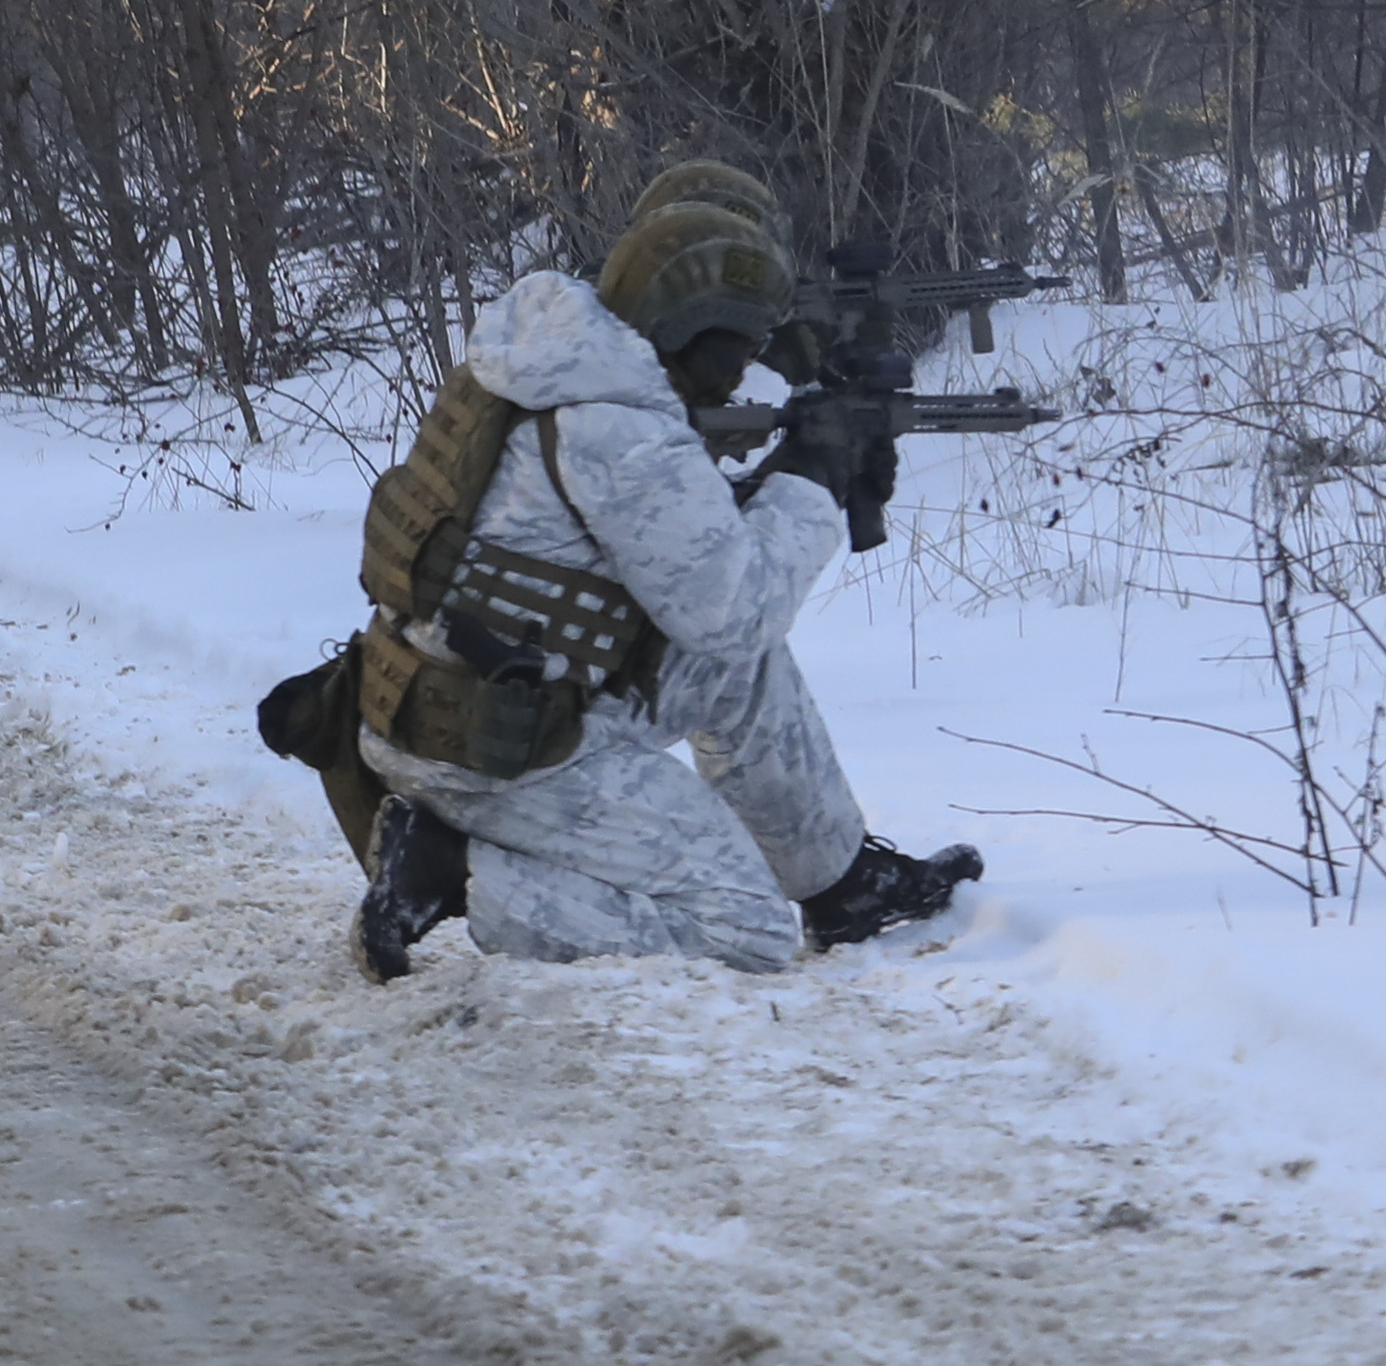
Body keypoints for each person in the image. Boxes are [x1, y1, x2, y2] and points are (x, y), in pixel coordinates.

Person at [337, 199, 980, 979]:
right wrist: (812, 477)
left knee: (736, 670)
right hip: (492, 748)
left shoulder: (553, 364)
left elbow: (672, 551)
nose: (745, 364)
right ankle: (452, 869)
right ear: (691, 328)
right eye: (736, 342)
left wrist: (801, 469)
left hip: (456, 698)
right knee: (746, 930)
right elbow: (736, 610)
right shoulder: (618, 428)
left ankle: (840, 884)